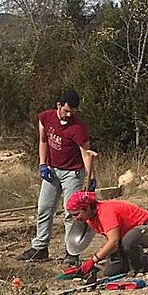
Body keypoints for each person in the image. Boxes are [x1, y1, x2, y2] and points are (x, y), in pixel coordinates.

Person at [18, 90, 96, 264]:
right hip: (52, 171)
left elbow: (86, 154)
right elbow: (44, 141)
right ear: (58, 105)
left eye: (73, 112)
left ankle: (71, 252)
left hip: (73, 173)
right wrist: (42, 163)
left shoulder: (78, 128)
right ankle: (40, 247)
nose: (69, 115)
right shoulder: (46, 118)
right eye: (67, 110)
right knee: (44, 208)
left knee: (71, 213)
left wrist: (91, 178)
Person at [65, 190, 148, 277]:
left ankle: (143, 264)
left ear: (86, 208)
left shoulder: (106, 212)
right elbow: (112, 241)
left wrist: (93, 260)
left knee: (128, 241)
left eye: (77, 214)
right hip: (124, 235)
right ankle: (134, 260)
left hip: (146, 228)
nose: (75, 219)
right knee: (111, 271)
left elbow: (113, 241)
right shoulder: (90, 219)